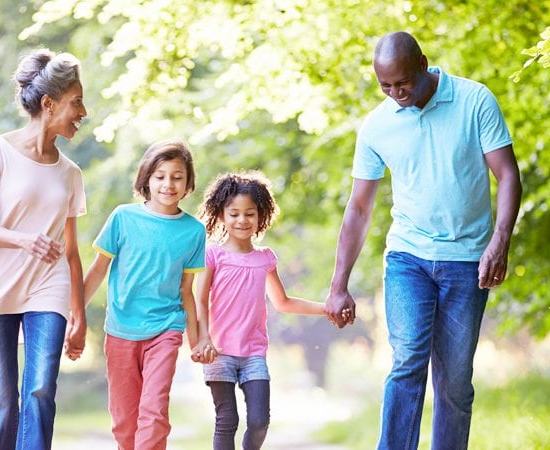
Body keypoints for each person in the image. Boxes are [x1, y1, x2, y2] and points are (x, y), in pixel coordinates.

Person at [324, 31, 522, 450]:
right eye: (386, 86)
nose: (396, 93)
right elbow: (358, 209)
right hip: (408, 257)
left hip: (468, 259)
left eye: (403, 83)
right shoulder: (377, 125)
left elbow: (506, 174)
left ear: (423, 64)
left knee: (453, 379)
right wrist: (338, 284)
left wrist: (500, 239)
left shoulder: (474, 100)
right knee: (407, 360)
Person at [0, 48, 89, 450]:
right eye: (76, 102)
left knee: (39, 389)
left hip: (47, 287)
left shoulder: (71, 172)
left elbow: (70, 249)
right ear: (49, 104)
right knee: (1, 399)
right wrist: (24, 239)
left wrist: (79, 315)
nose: (83, 111)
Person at [82, 140, 213, 450]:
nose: (168, 184)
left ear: (187, 183)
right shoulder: (123, 218)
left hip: (166, 329)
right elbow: (98, 270)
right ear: (146, 179)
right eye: (160, 176)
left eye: (177, 177)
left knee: (153, 412)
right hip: (121, 329)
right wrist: (74, 317)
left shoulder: (194, 231)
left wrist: (197, 340)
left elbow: (186, 290)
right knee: (125, 423)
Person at [194, 170, 328, 450]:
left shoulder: (265, 258)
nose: (242, 220)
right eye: (234, 214)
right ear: (221, 216)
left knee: (259, 421)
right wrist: (202, 339)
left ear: (261, 216)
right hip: (219, 352)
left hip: (254, 352)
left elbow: (284, 302)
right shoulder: (213, 255)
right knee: (227, 420)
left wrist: (326, 309)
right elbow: (200, 300)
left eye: (249, 214)